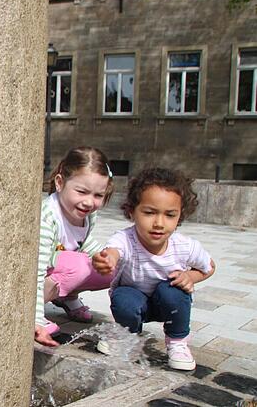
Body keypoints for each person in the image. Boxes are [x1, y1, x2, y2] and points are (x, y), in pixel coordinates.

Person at [93, 167, 215, 371]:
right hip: (135, 302)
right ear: (132, 211)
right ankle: (126, 335)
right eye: (149, 213)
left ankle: (177, 342)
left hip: (168, 304)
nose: (159, 223)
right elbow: (114, 250)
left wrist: (190, 277)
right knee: (124, 297)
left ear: (179, 217)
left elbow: (209, 266)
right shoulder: (125, 239)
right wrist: (108, 259)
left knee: (174, 291)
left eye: (170, 215)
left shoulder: (185, 246)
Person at [35, 147, 115, 347]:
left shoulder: (87, 214)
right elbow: (35, 270)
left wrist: (105, 256)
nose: (89, 202)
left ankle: (67, 298)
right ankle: (39, 308)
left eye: (98, 195)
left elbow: (81, 241)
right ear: (60, 183)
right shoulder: (48, 218)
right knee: (78, 265)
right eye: (81, 192)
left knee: (112, 267)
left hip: (59, 270)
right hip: (37, 281)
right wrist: (35, 319)